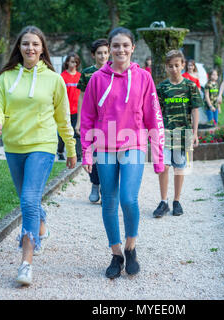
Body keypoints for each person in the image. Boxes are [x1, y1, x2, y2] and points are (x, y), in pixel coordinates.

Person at [0, 26, 77, 286]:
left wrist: (71, 149)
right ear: (19, 48)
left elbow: (63, 119)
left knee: (28, 200)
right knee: (27, 197)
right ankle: (41, 228)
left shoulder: (53, 79)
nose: (30, 48)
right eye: (26, 44)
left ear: (42, 49)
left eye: (35, 44)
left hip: (43, 144)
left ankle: (26, 264)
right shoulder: (6, 77)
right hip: (14, 145)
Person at [80, 27, 165, 279]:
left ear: (133, 48)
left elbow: (154, 116)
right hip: (105, 146)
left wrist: (158, 155)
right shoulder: (97, 78)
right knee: (109, 201)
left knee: (128, 199)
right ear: (109, 48)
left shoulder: (144, 78)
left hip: (134, 144)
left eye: (125, 45)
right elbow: (87, 117)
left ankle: (131, 248)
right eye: (115, 45)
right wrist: (86, 151)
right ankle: (116, 253)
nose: (120, 50)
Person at [153, 50, 201, 218]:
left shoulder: (190, 86)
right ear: (166, 67)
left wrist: (194, 133)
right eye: (170, 66)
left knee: (179, 168)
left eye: (177, 65)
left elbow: (195, 110)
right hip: (165, 132)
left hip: (183, 132)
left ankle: (177, 201)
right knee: (164, 166)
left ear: (183, 65)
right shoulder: (162, 88)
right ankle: (163, 201)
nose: (174, 68)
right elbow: (156, 112)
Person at [74, 39, 110, 204]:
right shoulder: (88, 73)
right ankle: (95, 183)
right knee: (93, 154)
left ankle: (104, 187)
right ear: (93, 55)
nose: (103, 56)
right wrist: (80, 120)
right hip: (91, 120)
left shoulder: (113, 71)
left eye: (105, 52)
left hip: (109, 121)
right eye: (99, 53)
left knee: (106, 156)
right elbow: (81, 96)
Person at [59, 53, 82, 161]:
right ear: (67, 62)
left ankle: (78, 155)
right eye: (72, 61)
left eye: (76, 62)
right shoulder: (62, 77)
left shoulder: (80, 76)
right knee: (63, 132)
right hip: (65, 110)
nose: (74, 64)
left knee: (77, 132)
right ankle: (60, 151)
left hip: (77, 110)